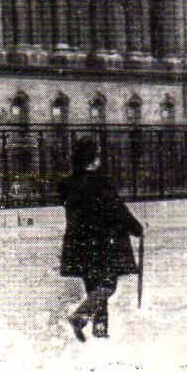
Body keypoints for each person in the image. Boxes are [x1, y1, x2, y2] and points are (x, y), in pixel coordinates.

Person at [60, 136, 142, 341]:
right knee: (107, 286)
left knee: (95, 290)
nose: (100, 158)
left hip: (77, 245)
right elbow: (117, 210)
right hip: (101, 244)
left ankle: (99, 335)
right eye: (97, 154)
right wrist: (137, 228)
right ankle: (80, 317)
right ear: (92, 157)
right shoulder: (101, 182)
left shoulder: (68, 183)